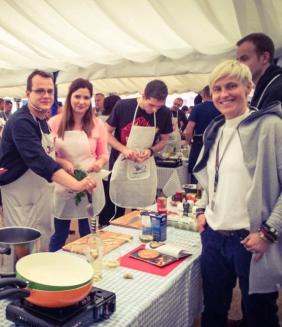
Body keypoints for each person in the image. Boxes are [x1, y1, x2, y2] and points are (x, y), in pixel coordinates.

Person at [193, 60, 281, 327]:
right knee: (213, 312)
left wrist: (269, 232)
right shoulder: (215, 129)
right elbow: (212, 178)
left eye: (231, 86)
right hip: (213, 238)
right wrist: (201, 209)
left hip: (251, 238)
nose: (223, 94)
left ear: (248, 87)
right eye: (217, 88)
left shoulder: (270, 127)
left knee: (259, 315)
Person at [0, 70, 96, 250]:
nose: (46, 96)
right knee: (23, 247)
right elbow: (37, 160)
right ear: (28, 93)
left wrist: (61, 162)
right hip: (21, 195)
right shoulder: (21, 121)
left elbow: (44, 152)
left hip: (41, 192)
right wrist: (75, 185)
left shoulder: (41, 119)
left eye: (50, 91)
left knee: (43, 238)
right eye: (40, 91)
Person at [48, 78, 108, 251]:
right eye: (77, 96)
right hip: (62, 181)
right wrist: (62, 161)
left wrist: (99, 163)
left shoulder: (98, 124)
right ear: (69, 97)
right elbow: (47, 154)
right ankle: (52, 267)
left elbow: (104, 154)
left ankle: (87, 266)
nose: (81, 102)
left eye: (86, 97)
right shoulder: (54, 122)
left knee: (87, 231)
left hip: (89, 182)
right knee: (59, 232)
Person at [106, 79, 173, 213]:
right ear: (143, 95)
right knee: (117, 206)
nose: (154, 110)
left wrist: (150, 150)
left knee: (142, 208)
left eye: (158, 106)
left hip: (144, 164)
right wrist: (124, 149)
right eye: (151, 105)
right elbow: (106, 132)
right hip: (121, 162)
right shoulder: (123, 106)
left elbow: (164, 140)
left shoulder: (165, 113)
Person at [236, 32, 282, 109]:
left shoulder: (278, 89)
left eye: (244, 58)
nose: (238, 65)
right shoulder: (266, 86)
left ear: (264, 58)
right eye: (238, 61)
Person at [185, 85, 220, 183]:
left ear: (203, 95)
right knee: (214, 176)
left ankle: (195, 197)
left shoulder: (198, 108)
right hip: (217, 145)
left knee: (196, 174)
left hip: (199, 145)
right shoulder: (221, 107)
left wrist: (189, 142)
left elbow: (188, 131)